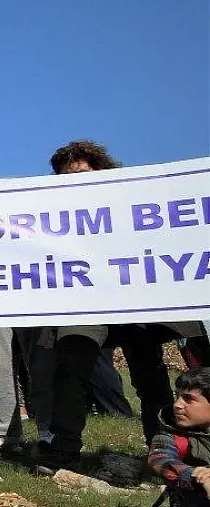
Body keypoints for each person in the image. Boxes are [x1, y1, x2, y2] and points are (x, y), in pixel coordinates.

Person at [38, 141, 206, 472]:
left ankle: (162, 452)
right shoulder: (52, 214)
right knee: (71, 368)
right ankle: (64, 452)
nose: (75, 180)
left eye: (82, 173)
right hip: (86, 302)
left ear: (102, 170)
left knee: (149, 378)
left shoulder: (133, 200)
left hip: (137, 302)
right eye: (66, 176)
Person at [148, 368, 210, 507]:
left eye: (188, 399)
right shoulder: (173, 434)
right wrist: (197, 475)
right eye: (178, 396)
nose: (177, 404)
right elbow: (160, 460)